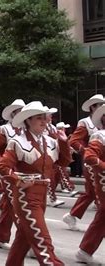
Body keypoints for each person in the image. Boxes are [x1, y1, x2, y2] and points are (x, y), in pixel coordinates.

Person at [0, 101, 71, 266]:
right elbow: (3, 168)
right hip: (26, 197)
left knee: (23, 238)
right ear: (28, 120)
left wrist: (64, 142)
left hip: (41, 196)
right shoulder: (17, 142)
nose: (44, 122)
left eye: (44, 118)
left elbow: (63, 163)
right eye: (39, 118)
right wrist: (18, 180)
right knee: (43, 240)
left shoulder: (51, 141)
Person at [0, 99, 25, 250]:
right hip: (8, 172)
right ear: (13, 114)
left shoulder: (25, 130)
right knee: (17, 206)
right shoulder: (5, 130)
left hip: (22, 173)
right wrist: (1, 160)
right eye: (19, 111)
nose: (22, 114)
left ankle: (0, 238)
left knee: (10, 206)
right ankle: (27, 241)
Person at [63, 94, 105, 230]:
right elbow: (74, 141)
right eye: (100, 104)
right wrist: (87, 151)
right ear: (93, 107)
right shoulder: (85, 122)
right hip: (92, 162)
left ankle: (72, 216)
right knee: (96, 192)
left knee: (92, 193)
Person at [76, 104, 105, 264]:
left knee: (103, 216)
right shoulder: (100, 136)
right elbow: (89, 156)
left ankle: (85, 250)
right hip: (103, 180)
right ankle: (85, 250)